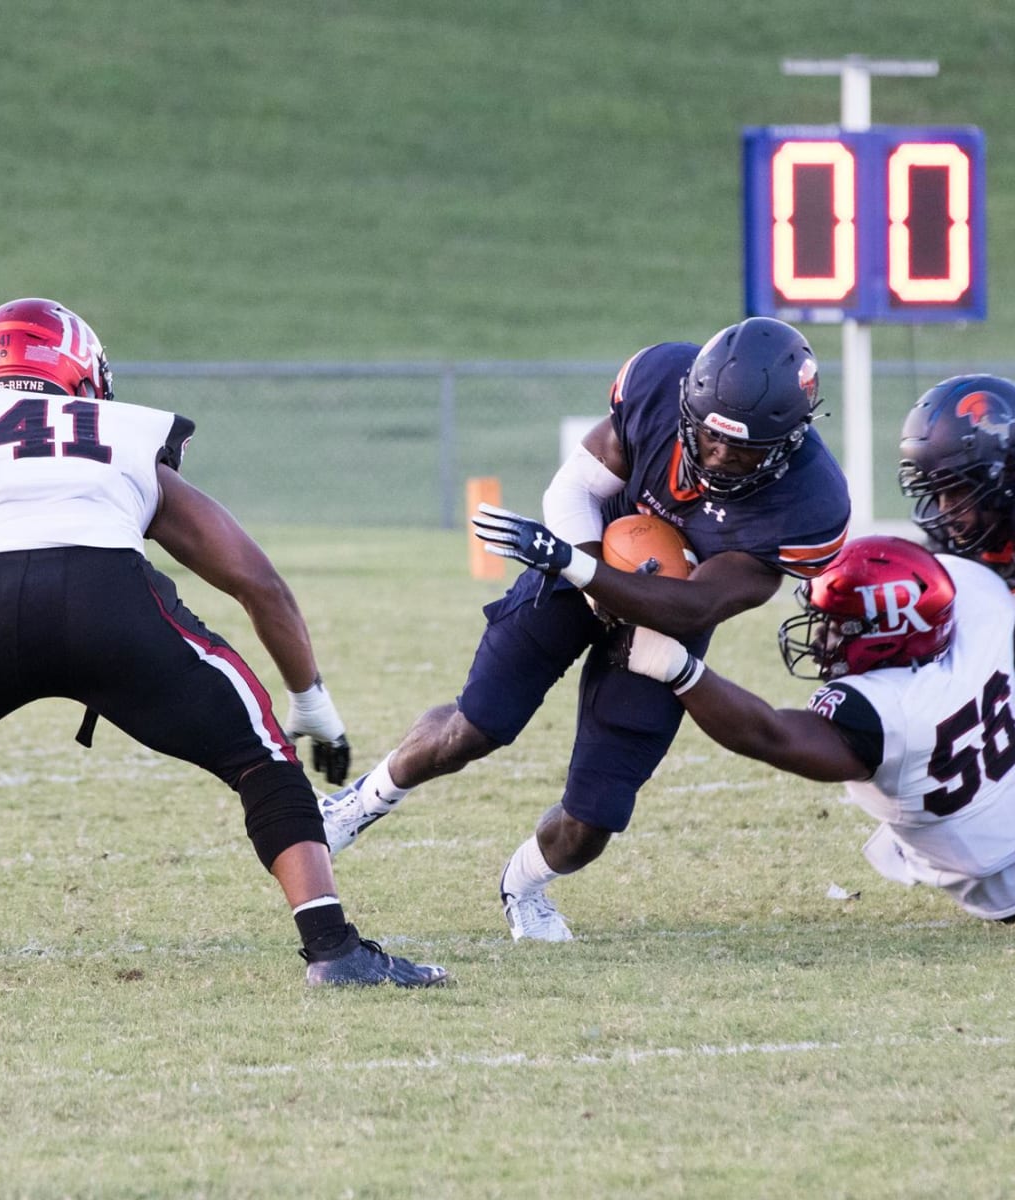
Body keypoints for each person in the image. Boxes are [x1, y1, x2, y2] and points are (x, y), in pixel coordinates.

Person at [0, 297, 446, 989]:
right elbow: (257, 581)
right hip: (111, 602)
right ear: (78, 370)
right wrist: (311, 700)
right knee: (261, 755)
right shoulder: (124, 431)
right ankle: (332, 948)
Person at [322, 317, 851, 941]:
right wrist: (580, 559)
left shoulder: (810, 504)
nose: (716, 456)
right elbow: (577, 483)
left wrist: (573, 564)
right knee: (475, 726)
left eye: (741, 449)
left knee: (594, 818)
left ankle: (523, 884)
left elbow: (694, 608)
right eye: (709, 436)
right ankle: (361, 801)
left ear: (788, 440)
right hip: (585, 557)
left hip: (660, 622)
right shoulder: (658, 381)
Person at [617, 535, 1015, 923]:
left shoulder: (889, 712)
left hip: (1000, 882)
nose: (822, 635)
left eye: (839, 626)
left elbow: (768, 735)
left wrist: (676, 666)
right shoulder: (980, 597)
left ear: (889, 634)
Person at [898, 374, 1015, 582]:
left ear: (1005, 477)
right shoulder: (949, 544)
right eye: (936, 492)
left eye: (958, 490)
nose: (943, 508)